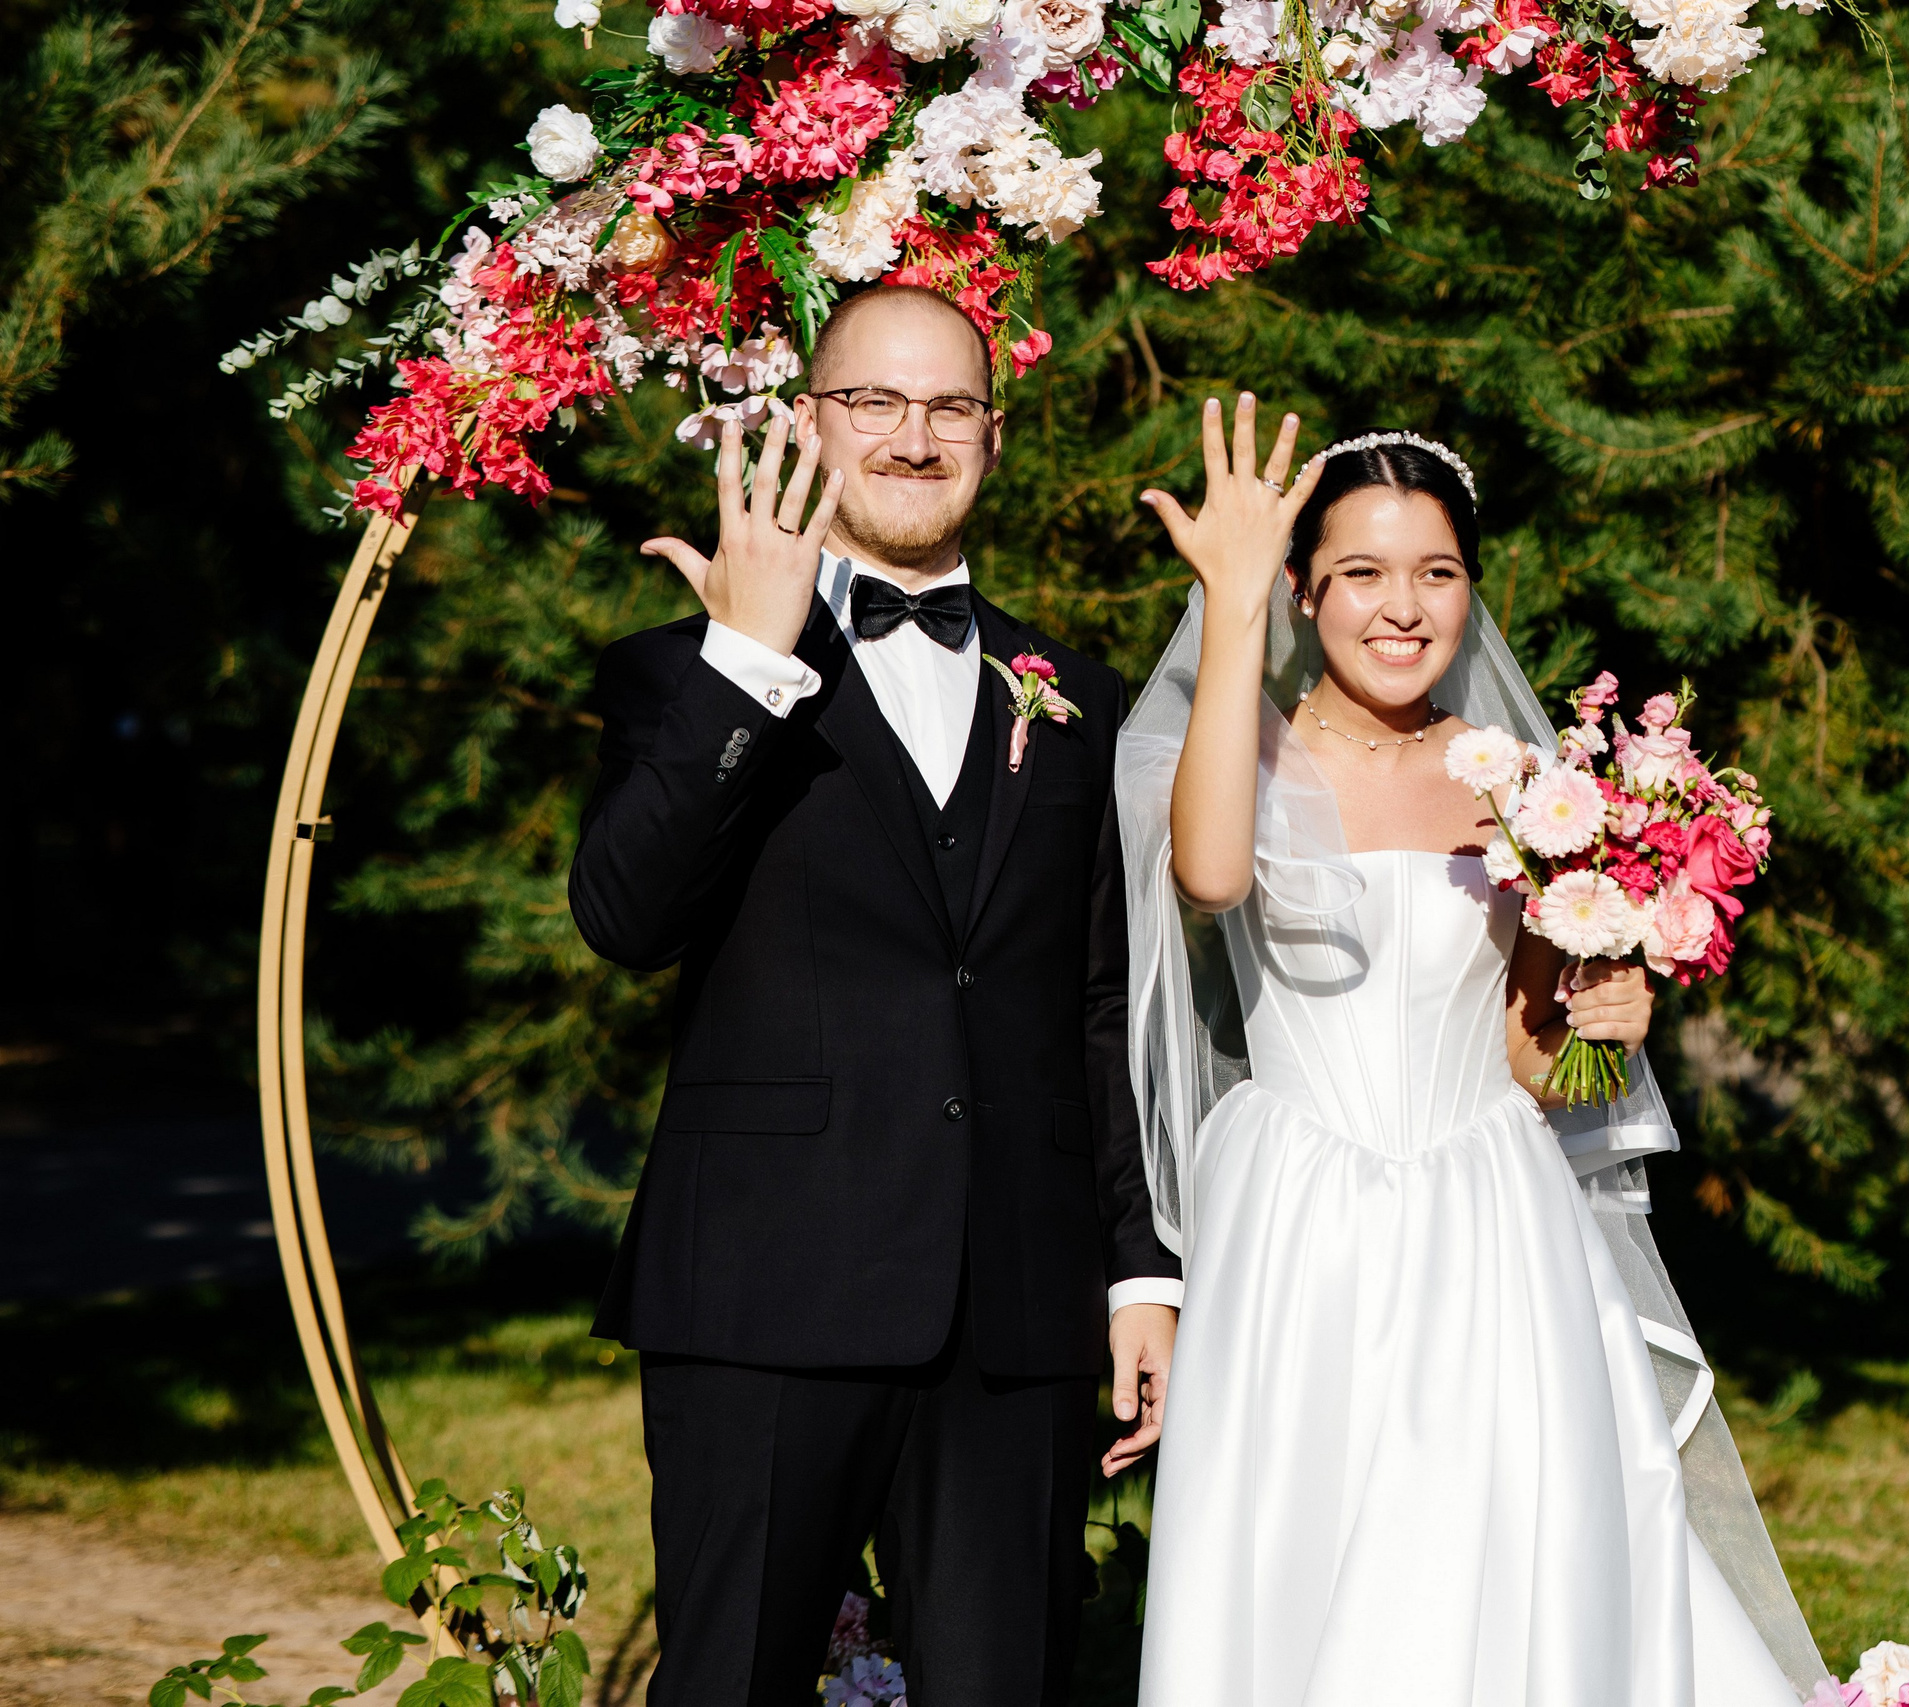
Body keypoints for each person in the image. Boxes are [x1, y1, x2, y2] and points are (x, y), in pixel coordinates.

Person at [1118, 396, 1826, 1704]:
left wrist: (1612, 1023)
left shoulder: (1526, 784)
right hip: (1305, 1216)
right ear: (1303, 593)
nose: (1404, 607)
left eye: (1437, 573)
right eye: (1363, 574)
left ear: (1471, 590)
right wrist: (1227, 608)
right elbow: (1210, 875)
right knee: (1308, 1561)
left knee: (1508, 1556)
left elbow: (1534, 1059)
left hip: (1492, 1213)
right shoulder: (1243, 749)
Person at [567, 284, 1181, 1707]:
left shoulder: (1072, 701)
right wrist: (751, 661)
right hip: (764, 1289)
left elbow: (1103, 1003)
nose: (915, 437)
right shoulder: (682, 675)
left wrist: (1141, 1267)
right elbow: (623, 918)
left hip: (1017, 1307)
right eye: (875, 404)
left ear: (995, 436)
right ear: (809, 423)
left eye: (950, 406)